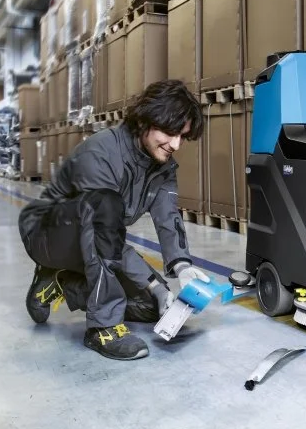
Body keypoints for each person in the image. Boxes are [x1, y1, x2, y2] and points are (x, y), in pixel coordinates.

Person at [18, 80, 211, 361]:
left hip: (97, 238)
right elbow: (105, 228)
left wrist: (181, 266)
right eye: (170, 133)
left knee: (150, 305)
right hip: (48, 234)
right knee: (105, 210)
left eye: (182, 136)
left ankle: (60, 283)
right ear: (146, 120)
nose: (176, 144)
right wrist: (152, 283)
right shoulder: (101, 153)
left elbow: (168, 216)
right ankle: (103, 328)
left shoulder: (162, 165)